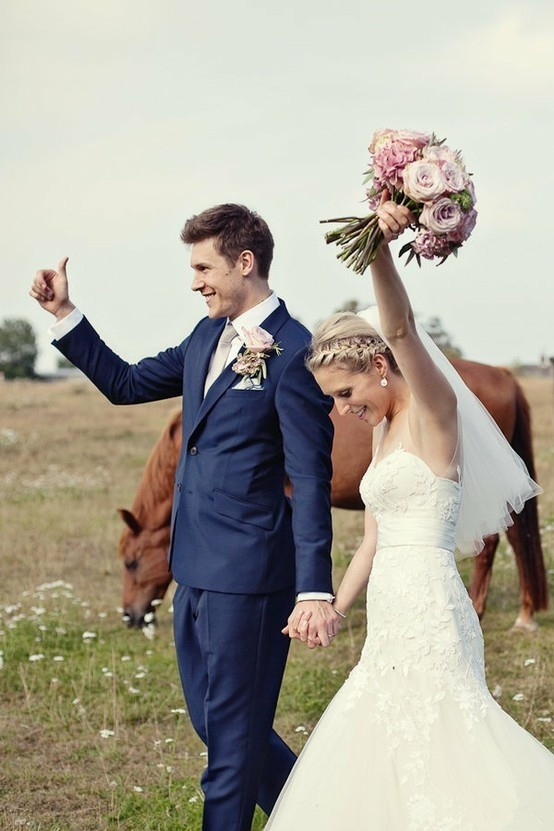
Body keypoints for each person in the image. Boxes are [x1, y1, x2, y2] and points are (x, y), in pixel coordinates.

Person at [29, 203, 343, 831]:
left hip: (250, 577)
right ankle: (322, 816)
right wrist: (65, 313)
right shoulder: (205, 337)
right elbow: (125, 384)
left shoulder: (293, 354)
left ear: (245, 263)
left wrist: (313, 588)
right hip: (191, 568)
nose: (194, 281)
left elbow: (311, 480)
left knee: (229, 749)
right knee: (217, 724)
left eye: (204, 268)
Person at [268, 197, 554, 829]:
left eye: (346, 393)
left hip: (433, 610)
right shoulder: (381, 432)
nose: (342, 410)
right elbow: (373, 539)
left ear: (379, 367)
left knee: (449, 741)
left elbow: (399, 330)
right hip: (390, 617)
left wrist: (377, 249)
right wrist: (333, 608)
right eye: (333, 400)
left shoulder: (434, 415)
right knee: (388, 741)